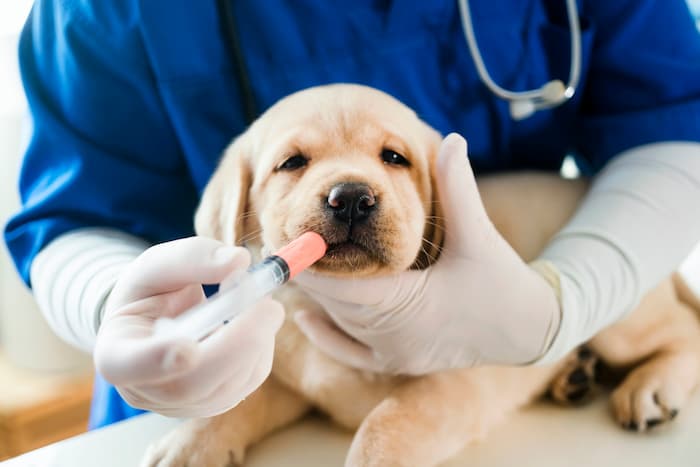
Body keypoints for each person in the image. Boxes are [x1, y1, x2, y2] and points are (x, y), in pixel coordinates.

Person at [5, 0, 700, 428]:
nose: (349, 192)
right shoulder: (94, 12)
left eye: (394, 159)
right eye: (296, 163)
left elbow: (675, 123)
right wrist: (109, 308)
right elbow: (69, 214)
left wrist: (563, 300)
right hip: (198, 368)